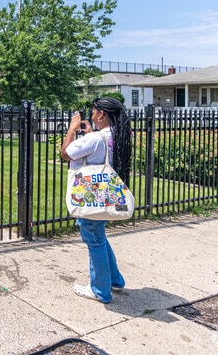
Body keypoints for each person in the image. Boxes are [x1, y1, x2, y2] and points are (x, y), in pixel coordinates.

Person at [60, 97, 132, 303]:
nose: (91, 114)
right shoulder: (118, 135)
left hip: (91, 198)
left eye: (93, 111)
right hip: (106, 196)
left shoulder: (95, 139)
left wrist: (72, 129)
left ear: (101, 114)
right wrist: (91, 132)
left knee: (94, 241)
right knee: (99, 237)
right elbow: (101, 151)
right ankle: (115, 280)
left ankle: (100, 290)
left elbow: (66, 153)